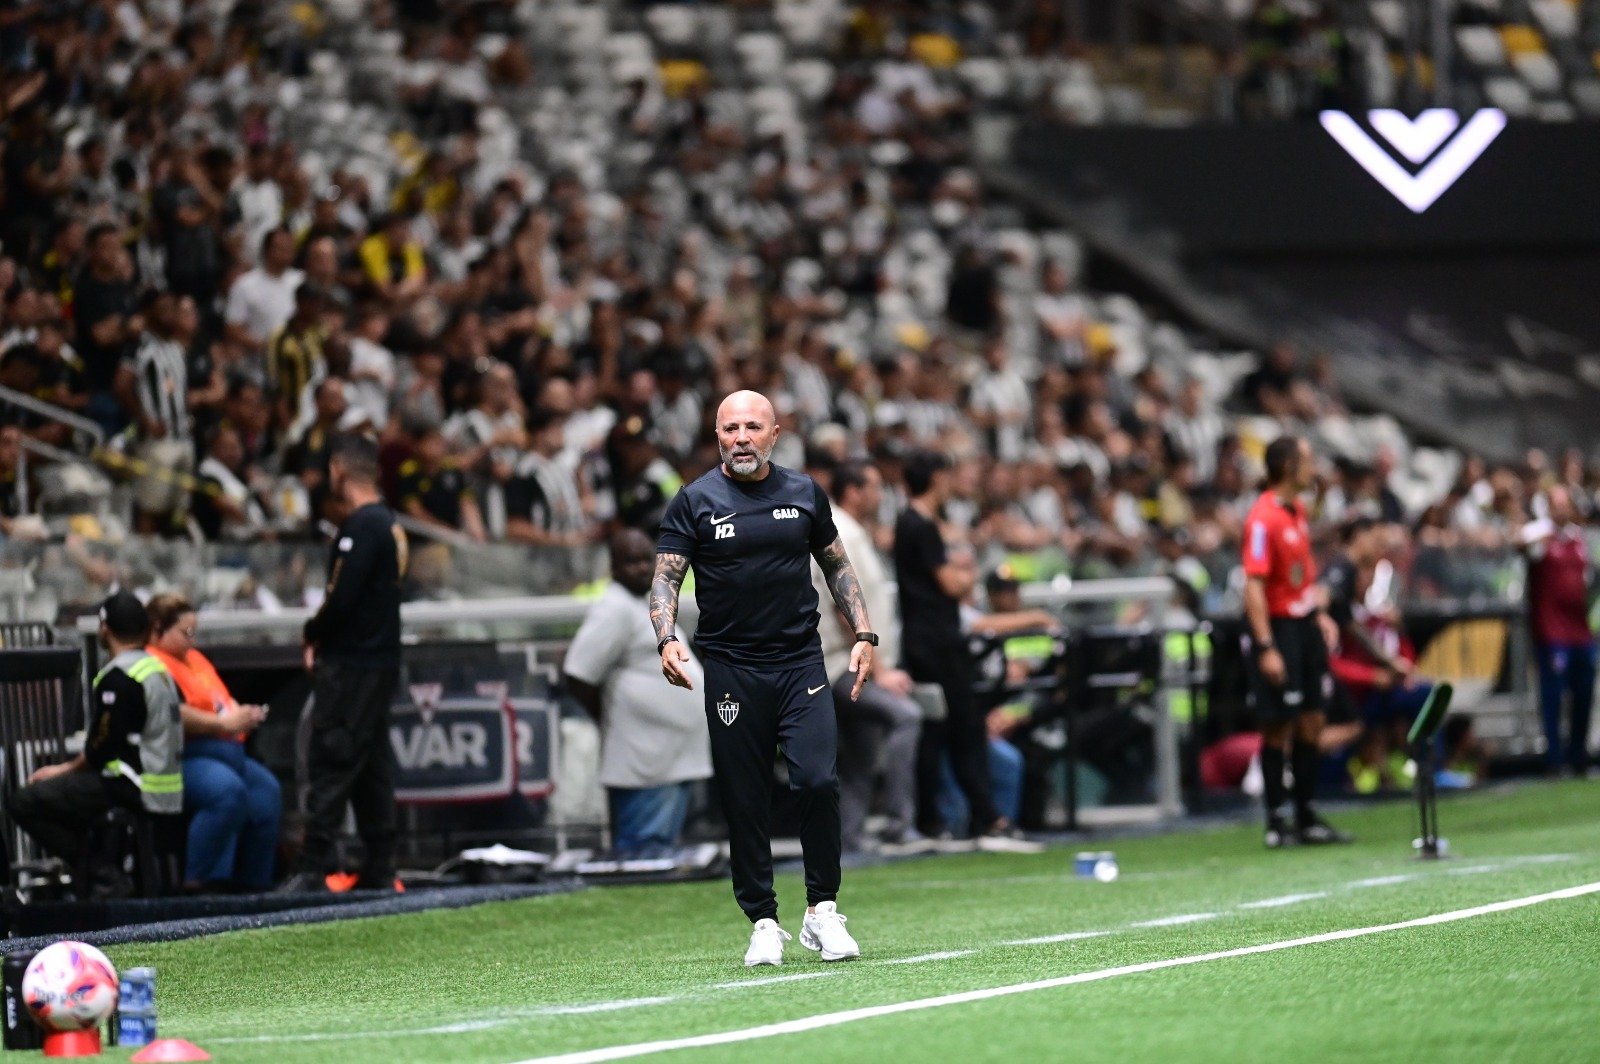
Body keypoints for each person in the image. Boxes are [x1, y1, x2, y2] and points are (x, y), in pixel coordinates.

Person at [652, 390, 874, 967]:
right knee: (745, 798)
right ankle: (763, 920)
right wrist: (667, 637)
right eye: (730, 428)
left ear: (776, 433)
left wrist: (864, 634)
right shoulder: (694, 501)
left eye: (753, 427)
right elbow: (666, 579)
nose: (741, 438)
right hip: (731, 669)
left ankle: (822, 911)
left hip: (800, 662)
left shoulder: (803, 493)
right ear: (717, 435)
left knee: (817, 782)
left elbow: (837, 564)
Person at [279, 433, 407, 892]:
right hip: (378, 662)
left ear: (338, 469)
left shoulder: (362, 526)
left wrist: (313, 632)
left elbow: (341, 599)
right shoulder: (388, 523)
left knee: (331, 757)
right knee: (371, 765)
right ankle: (380, 867)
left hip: (352, 666)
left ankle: (313, 869)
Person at [894, 450, 1028, 850]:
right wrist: (966, 567)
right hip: (938, 644)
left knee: (937, 733)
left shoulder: (909, 523)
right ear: (936, 478)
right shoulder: (921, 526)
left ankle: (935, 820)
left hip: (925, 642)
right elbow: (953, 586)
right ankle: (988, 819)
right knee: (965, 728)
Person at [7, 592, 183, 885]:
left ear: (105, 628)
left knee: (24, 801)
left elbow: (102, 747)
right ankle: (100, 872)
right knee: (69, 797)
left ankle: (102, 874)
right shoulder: (157, 669)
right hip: (166, 784)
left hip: (133, 785)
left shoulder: (119, 677)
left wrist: (62, 769)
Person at [564, 529, 711, 857]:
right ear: (613, 567)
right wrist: (608, 719)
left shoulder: (647, 601)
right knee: (643, 858)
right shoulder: (613, 608)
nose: (644, 568)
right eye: (632, 561)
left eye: (648, 559)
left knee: (661, 856)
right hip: (643, 759)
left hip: (668, 757)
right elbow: (578, 673)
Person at [1242, 434, 1351, 847]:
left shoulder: (1297, 511)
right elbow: (1253, 586)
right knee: (1277, 726)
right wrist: (1266, 646)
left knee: (1313, 720)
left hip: (1304, 626)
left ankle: (1305, 816)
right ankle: (1275, 820)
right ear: (1289, 466)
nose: (1313, 468)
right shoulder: (1261, 519)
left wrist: (1318, 612)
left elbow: (1300, 575)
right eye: (1307, 460)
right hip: (1279, 628)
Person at [810, 462, 922, 853]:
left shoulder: (855, 531)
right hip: (842, 663)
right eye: (874, 487)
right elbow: (845, 603)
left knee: (860, 751)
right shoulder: (840, 530)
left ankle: (851, 837)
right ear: (853, 491)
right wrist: (879, 668)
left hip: (854, 664)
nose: (881, 495)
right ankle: (899, 824)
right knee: (905, 716)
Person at [145, 594, 281, 892]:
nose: (191, 640)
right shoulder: (151, 664)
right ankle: (203, 883)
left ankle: (253, 887)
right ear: (157, 629)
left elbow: (219, 699)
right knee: (226, 791)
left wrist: (241, 713)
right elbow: (173, 713)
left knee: (267, 791)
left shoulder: (194, 659)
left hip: (226, 750)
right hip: (183, 754)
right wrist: (223, 724)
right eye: (185, 633)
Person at [1520, 485, 1595, 775]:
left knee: (1584, 695)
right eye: (1556, 504)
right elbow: (1521, 545)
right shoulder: (1539, 535)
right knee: (1553, 697)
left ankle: (1579, 755)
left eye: (1565, 504)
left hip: (1581, 631)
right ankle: (1554, 759)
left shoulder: (1580, 539)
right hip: (1552, 633)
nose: (1562, 509)